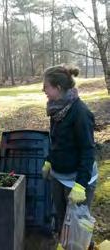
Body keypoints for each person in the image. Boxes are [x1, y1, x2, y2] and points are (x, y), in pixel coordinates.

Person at [42, 65, 98, 249]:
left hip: (78, 180)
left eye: (46, 87)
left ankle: (84, 246)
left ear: (58, 87)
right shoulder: (56, 109)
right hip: (59, 176)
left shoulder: (80, 112)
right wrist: (50, 159)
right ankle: (65, 244)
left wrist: (81, 184)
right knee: (61, 218)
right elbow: (56, 139)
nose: (44, 91)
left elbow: (88, 151)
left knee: (79, 225)